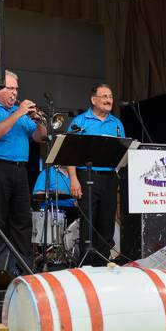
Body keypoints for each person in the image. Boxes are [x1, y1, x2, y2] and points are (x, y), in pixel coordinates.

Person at [0, 70, 47, 265]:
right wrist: (18, 113)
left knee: (22, 219)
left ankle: (22, 266)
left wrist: (39, 122)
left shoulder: (19, 113)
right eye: (10, 88)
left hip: (19, 170)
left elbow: (40, 138)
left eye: (16, 89)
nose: (15, 93)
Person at [66, 84, 125, 264]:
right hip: (87, 176)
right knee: (88, 223)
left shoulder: (116, 123)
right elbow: (69, 152)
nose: (109, 100)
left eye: (111, 96)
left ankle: (103, 263)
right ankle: (86, 264)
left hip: (110, 178)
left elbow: (122, 151)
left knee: (107, 223)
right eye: (104, 96)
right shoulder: (80, 121)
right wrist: (73, 179)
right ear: (93, 100)